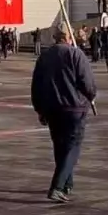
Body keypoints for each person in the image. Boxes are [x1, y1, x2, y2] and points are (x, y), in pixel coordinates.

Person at [31, 29, 97, 203]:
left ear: (55, 38)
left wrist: (39, 108)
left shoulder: (44, 57)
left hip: (52, 108)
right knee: (72, 147)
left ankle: (67, 183)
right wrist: (91, 95)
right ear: (68, 38)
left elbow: (36, 84)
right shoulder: (76, 54)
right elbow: (87, 83)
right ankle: (58, 186)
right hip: (73, 108)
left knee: (60, 147)